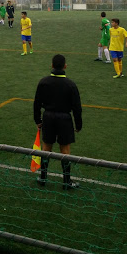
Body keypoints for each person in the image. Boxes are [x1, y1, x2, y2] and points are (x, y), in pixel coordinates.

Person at [34, 54, 82, 190]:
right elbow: (77, 107)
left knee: (46, 148)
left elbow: (36, 103)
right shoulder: (71, 85)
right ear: (65, 66)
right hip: (64, 119)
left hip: (48, 117)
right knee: (65, 150)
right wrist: (78, 125)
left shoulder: (44, 82)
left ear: (52, 66)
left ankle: (43, 177)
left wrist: (38, 120)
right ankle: (67, 181)